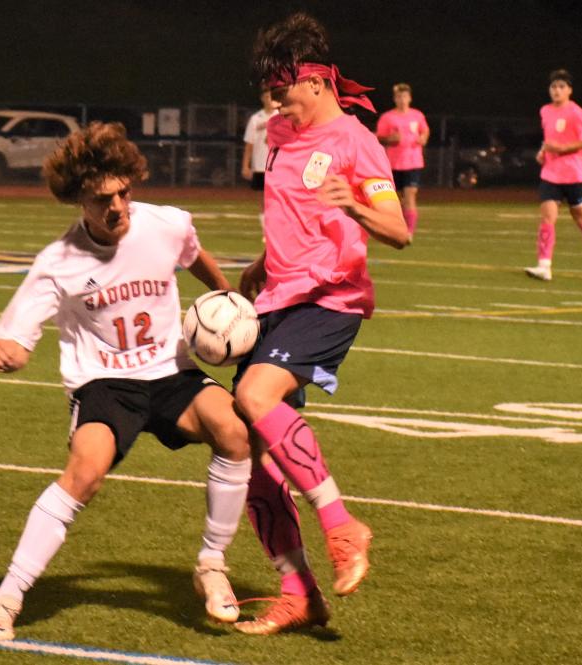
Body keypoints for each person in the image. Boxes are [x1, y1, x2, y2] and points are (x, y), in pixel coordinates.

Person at [0, 122, 252, 641]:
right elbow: (17, 336)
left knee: (236, 432)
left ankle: (212, 564)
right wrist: (11, 352)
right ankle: (7, 595)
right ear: (78, 199)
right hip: (104, 381)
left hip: (172, 371)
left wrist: (228, 299)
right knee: (85, 474)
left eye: (124, 192)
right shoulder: (57, 264)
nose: (118, 207)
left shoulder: (166, 224)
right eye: (103, 199)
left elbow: (195, 256)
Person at [231, 13, 409, 635]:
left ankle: (342, 526)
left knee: (254, 397)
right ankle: (298, 590)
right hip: (277, 297)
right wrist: (261, 263)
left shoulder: (356, 141)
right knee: (247, 447)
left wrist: (353, 204)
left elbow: (399, 231)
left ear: (314, 79)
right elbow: (289, 211)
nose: (278, 104)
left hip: (331, 300)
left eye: (285, 91)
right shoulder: (280, 131)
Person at [525, 69, 582, 282]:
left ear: (569, 90)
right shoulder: (545, 111)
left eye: (562, 87)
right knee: (547, 217)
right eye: (553, 87)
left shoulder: (577, 113)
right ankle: (544, 265)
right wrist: (542, 152)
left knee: (580, 218)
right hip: (550, 173)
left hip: (574, 174)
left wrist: (560, 148)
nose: (557, 90)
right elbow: (549, 139)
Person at [376, 83, 429, 236]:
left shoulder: (417, 115)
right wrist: (390, 139)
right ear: (395, 99)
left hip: (413, 163)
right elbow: (379, 137)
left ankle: (409, 232)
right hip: (393, 163)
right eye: (399, 97)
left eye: (404, 96)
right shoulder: (387, 117)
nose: (402, 99)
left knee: (410, 194)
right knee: (397, 200)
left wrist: (423, 138)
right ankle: (396, 227)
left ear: (410, 98)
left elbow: (425, 130)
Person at [241, 85, 279, 227]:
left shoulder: (281, 116)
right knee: (263, 201)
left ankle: (276, 229)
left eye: (271, 96)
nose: (269, 99)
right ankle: (266, 232)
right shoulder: (255, 119)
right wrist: (245, 166)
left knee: (276, 200)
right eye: (266, 96)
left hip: (277, 167)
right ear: (262, 98)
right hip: (259, 166)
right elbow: (249, 144)